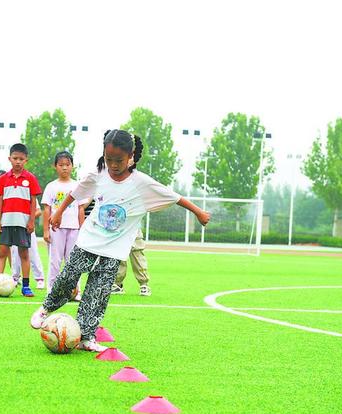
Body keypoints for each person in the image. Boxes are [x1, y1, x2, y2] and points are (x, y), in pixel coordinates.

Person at [29, 129, 210, 351]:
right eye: (109, 159)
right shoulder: (99, 174)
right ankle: (46, 308)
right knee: (68, 277)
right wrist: (58, 213)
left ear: (131, 156)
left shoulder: (142, 183)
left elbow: (174, 197)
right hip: (88, 240)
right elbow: (76, 192)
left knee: (99, 292)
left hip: (115, 249)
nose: (113, 165)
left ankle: (86, 337)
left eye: (119, 160)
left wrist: (198, 212)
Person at [0, 143, 42, 297]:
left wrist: (32, 221)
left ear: (26, 160)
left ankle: (25, 286)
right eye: (15, 158)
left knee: (24, 254)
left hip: (23, 223)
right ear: (9, 159)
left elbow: (33, 202)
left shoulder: (30, 179)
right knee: (2, 253)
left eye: (21, 159)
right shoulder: (4, 179)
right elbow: (0, 201)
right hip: (6, 222)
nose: (18, 161)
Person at [42, 151, 85, 291]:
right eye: (61, 165)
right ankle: (52, 291)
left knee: (73, 262)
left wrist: (82, 230)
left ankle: (75, 290)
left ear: (72, 166)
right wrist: (45, 231)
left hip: (74, 229)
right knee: (55, 261)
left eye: (67, 164)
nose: (65, 168)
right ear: (55, 166)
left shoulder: (78, 186)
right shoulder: (51, 186)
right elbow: (47, 210)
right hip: (56, 229)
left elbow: (80, 209)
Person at [10, 200, 46, 289]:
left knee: (33, 253)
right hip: (15, 228)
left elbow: (38, 211)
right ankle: (15, 278)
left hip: (28, 228)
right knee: (15, 253)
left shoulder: (30, 194)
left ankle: (39, 279)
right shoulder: (12, 193)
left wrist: (29, 219)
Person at [111, 228, 151, 296]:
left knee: (137, 256)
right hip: (120, 230)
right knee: (120, 257)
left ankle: (144, 285)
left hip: (133, 228)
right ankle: (117, 284)